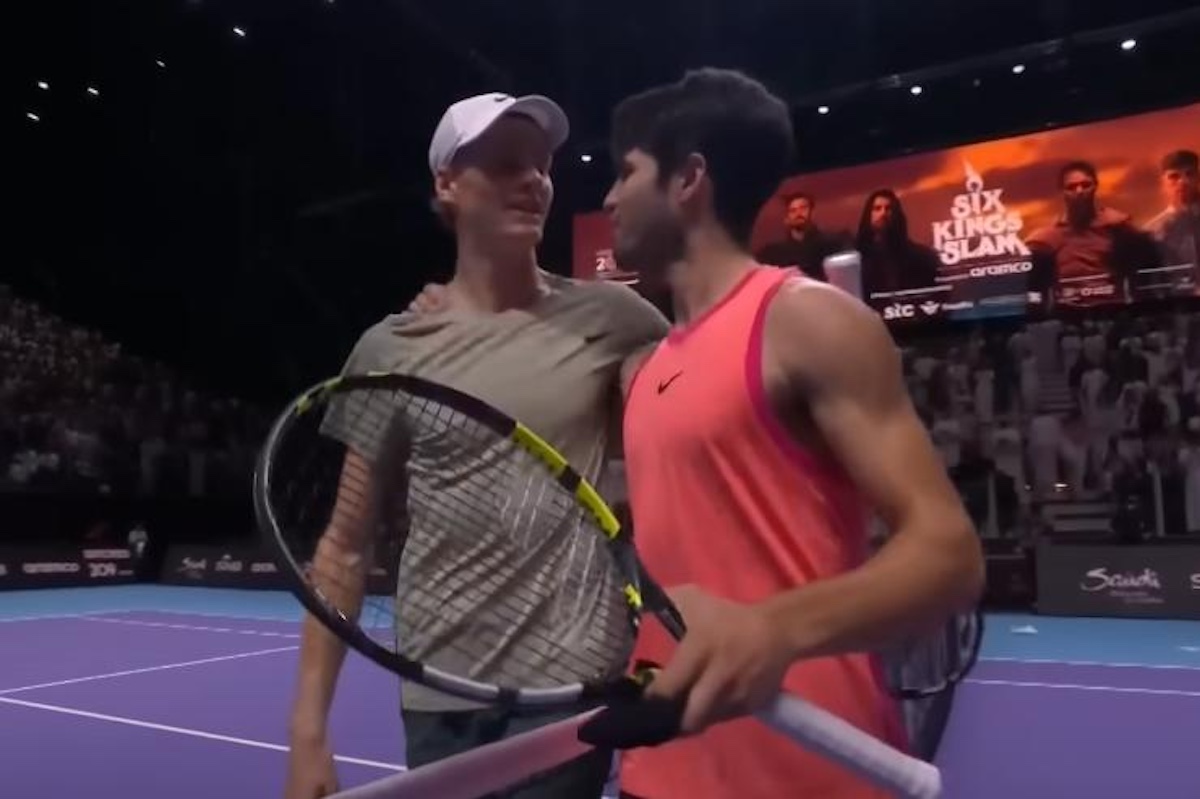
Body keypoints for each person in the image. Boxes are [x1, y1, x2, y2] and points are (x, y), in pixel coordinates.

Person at [586, 67, 984, 799]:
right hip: (661, 766)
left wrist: (773, 627)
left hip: (811, 772)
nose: (608, 198)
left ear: (688, 180)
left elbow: (948, 556)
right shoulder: (643, 371)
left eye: (627, 172)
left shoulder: (804, 320)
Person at [283, 91, 670, 799]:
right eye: (505, 165)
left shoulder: (616, 319)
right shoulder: (392, 347)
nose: (534, 181)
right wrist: (308, 728)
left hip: (566, 689)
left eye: (542, 166)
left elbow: (688, 433)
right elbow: (344, 547)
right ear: (448, 185)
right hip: (439, 692)